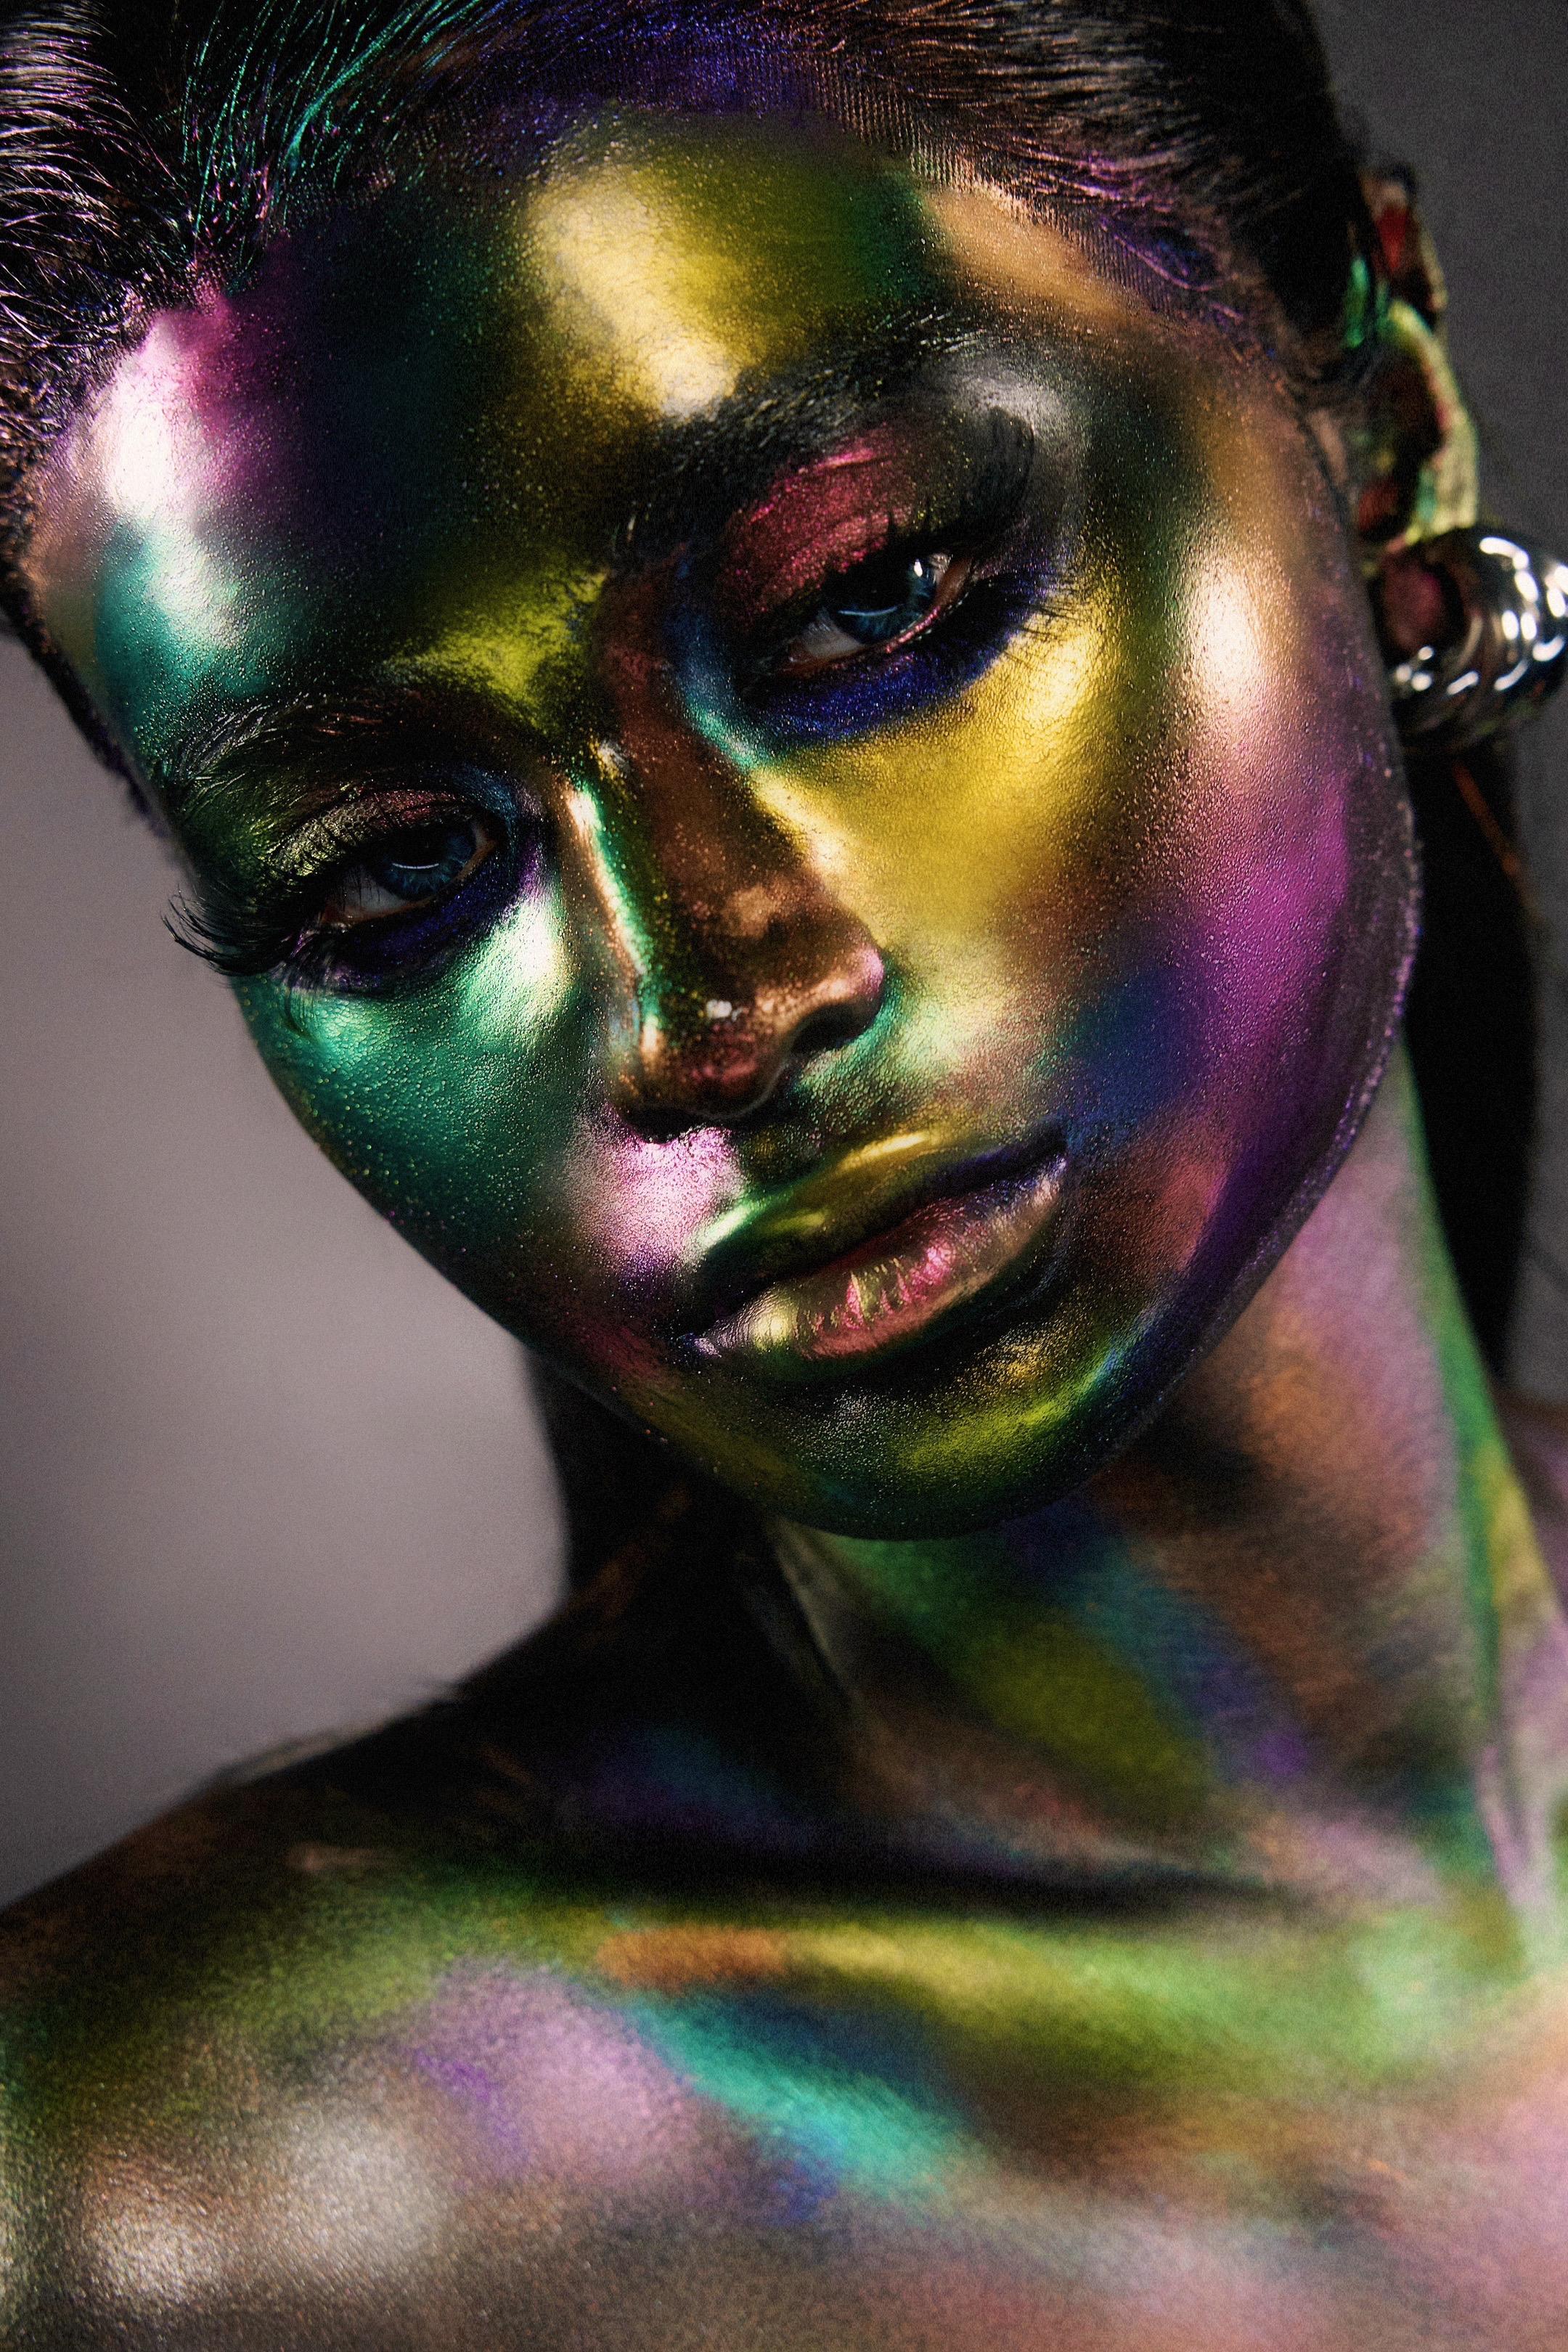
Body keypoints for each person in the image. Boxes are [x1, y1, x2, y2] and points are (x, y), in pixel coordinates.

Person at [1, 0, 1567, 2342]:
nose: (707, 1000)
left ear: (1385, 422)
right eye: (395, 869)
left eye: (868, 599)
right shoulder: (164, 2218)